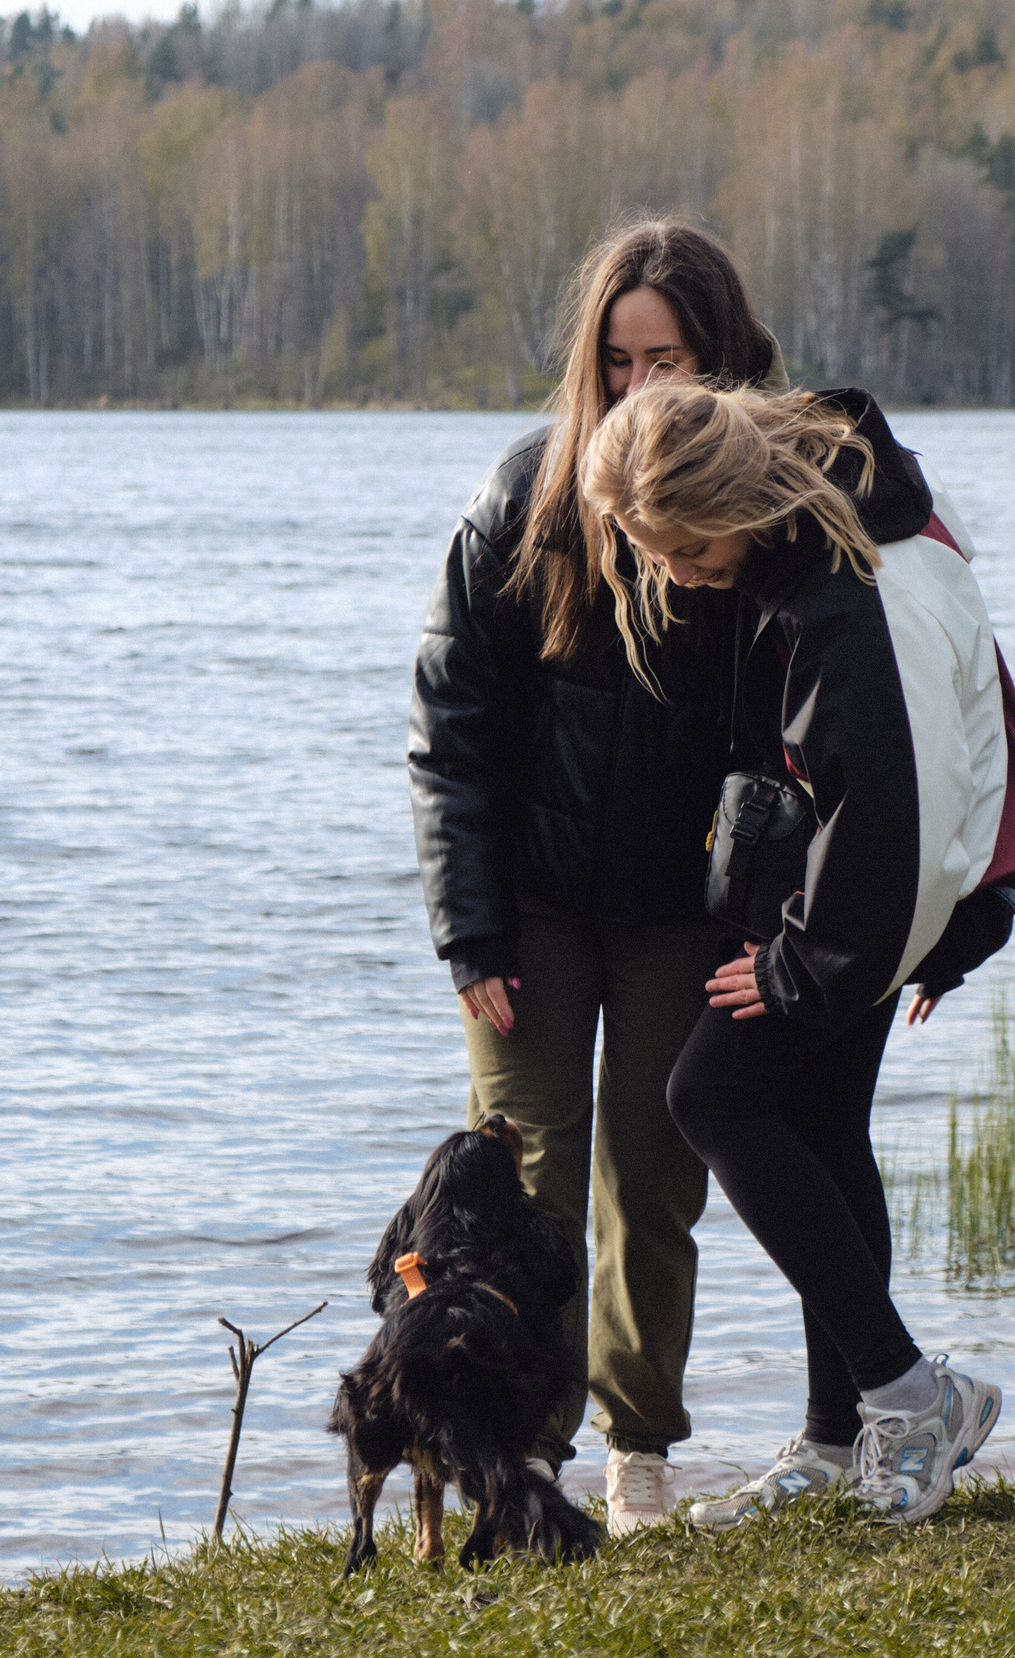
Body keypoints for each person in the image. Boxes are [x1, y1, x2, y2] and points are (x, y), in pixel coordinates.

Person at [579, 381, 1015, 1529]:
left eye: (692, 547)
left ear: (742, 497)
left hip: (892, 898)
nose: (681, 572)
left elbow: (889, 810)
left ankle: (912, 1397)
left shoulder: (850, 595)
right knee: (820, 1125)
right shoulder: (822, 531)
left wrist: (807, 967)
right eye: (655, 553)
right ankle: (839, 1434)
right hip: (885, 895)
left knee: (714, 1094)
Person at [406, 219, 782, 1532]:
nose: (637, 388)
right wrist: (469, 930)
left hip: (689, 916)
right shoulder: (521, 498)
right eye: (617, 362)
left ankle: (640, 1460)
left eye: (665, 358)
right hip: (532, 911)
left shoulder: (767, 518)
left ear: (719, 359)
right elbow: (447, 732)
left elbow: (799, 743)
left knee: (655, 1178)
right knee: (520, 1188)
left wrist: (773, 924)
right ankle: (519, 1459)